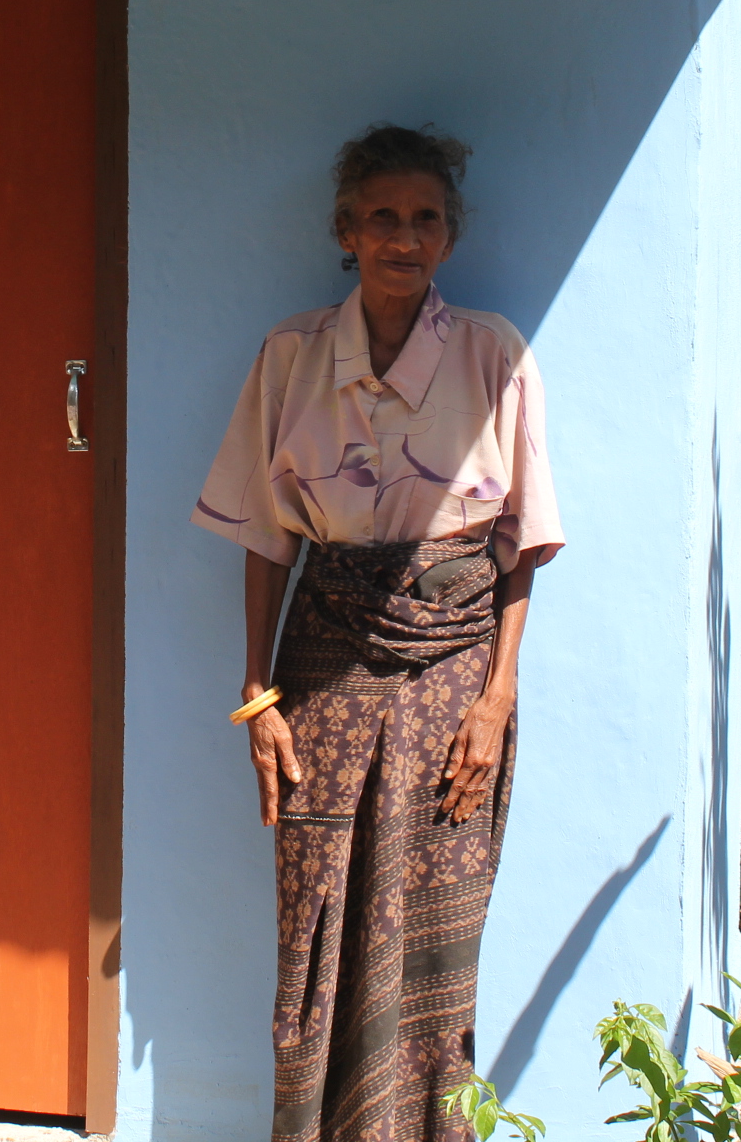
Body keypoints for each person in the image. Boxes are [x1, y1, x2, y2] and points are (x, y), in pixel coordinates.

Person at [193, 123, 563, 1142]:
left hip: (457, 673)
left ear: (451, 234)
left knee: (436, 931)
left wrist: (496, 702)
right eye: (384, 216)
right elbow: (265, 543)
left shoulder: (497, 355)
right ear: (346, 229)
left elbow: (524, 546)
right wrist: (258, 696)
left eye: (427, 218)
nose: (406, 236)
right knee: (319, 920)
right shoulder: (291, 357)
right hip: (323, 668)